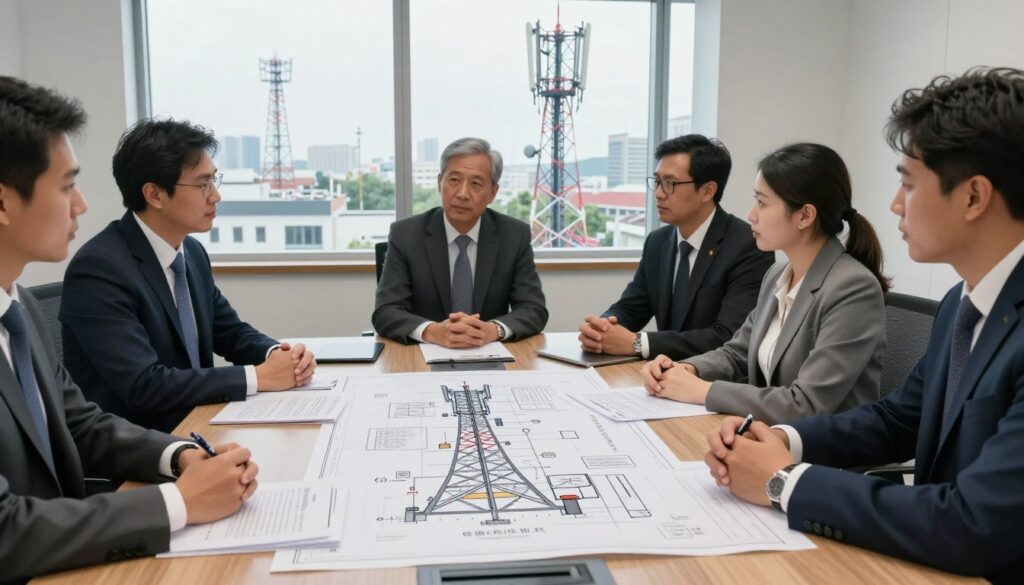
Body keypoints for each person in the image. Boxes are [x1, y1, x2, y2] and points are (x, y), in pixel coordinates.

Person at [703, 68, 1024, 583]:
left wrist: (785, 482)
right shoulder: (959, 305)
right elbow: (899, 421)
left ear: (973, 196)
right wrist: (783, 440)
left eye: (908, 184)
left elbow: (977, 524)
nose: (895, 205)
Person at [0, 76, 259, 583]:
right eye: (67, 186)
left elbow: (81, 423)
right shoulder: (97, 267)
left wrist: (182, 456)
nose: (82, 206)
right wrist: (177, 503)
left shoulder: (19, 305)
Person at [60, 119, 316, 433]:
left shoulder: (191, 253)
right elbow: (144, 385)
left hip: (199, 424)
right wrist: (259, 377)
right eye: (203, 184)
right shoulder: (100, 270)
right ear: (154, 194)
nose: (216, 196)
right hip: (142, 447)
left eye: (214, 181)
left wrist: (279, 355)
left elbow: (231, 332)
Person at [642, 143, 888, 424]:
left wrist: (704, 391)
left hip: (825, 454)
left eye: (762, 202)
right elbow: (737, 353)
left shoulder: (853, 288)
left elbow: (806, 404)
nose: (751, 215)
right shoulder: (778, 274)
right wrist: (687, 369)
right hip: (769, 434)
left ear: (805, 216)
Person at [578, 135, 774, 359]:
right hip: (658, 377)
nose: (659, 193)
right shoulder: (658, 242)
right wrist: (603, 329)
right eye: (657, 181)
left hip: (711, 382)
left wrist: (639, 343)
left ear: (708, 191)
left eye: (670, 183)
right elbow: (632, 307)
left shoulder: (747, 246)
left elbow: (728, 336)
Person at [372, 137, 547, 347]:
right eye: (454, 180)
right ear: (439, 183)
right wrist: (433, 331)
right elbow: (386, 311)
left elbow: (533, 309)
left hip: (490, 356)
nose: (463, 194)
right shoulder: (406, 234)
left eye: (475, 184)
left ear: (492, 193)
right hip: (422, 357)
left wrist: (492, 329)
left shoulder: (513, 235)